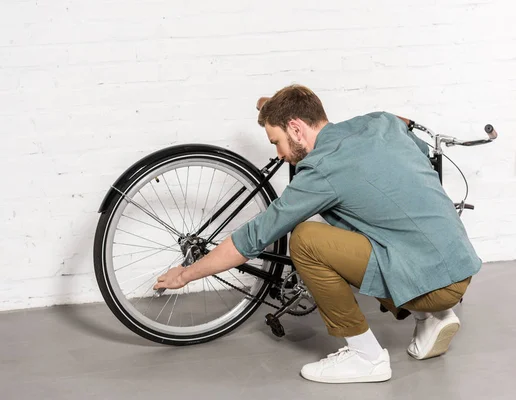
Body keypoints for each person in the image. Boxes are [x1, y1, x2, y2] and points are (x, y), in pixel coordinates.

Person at [154, 84, 481, 384]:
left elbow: (252, 238)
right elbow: (403, 122)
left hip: (436, 285)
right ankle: (432, 316)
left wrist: (186, 274)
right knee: (360, 217)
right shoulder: (381, 122)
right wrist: (272, 107)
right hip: (459, 264)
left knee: (307, 239)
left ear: (296, 128)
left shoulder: (322, 170)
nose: (280, 154)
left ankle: (366, 356)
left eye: (276, 142)